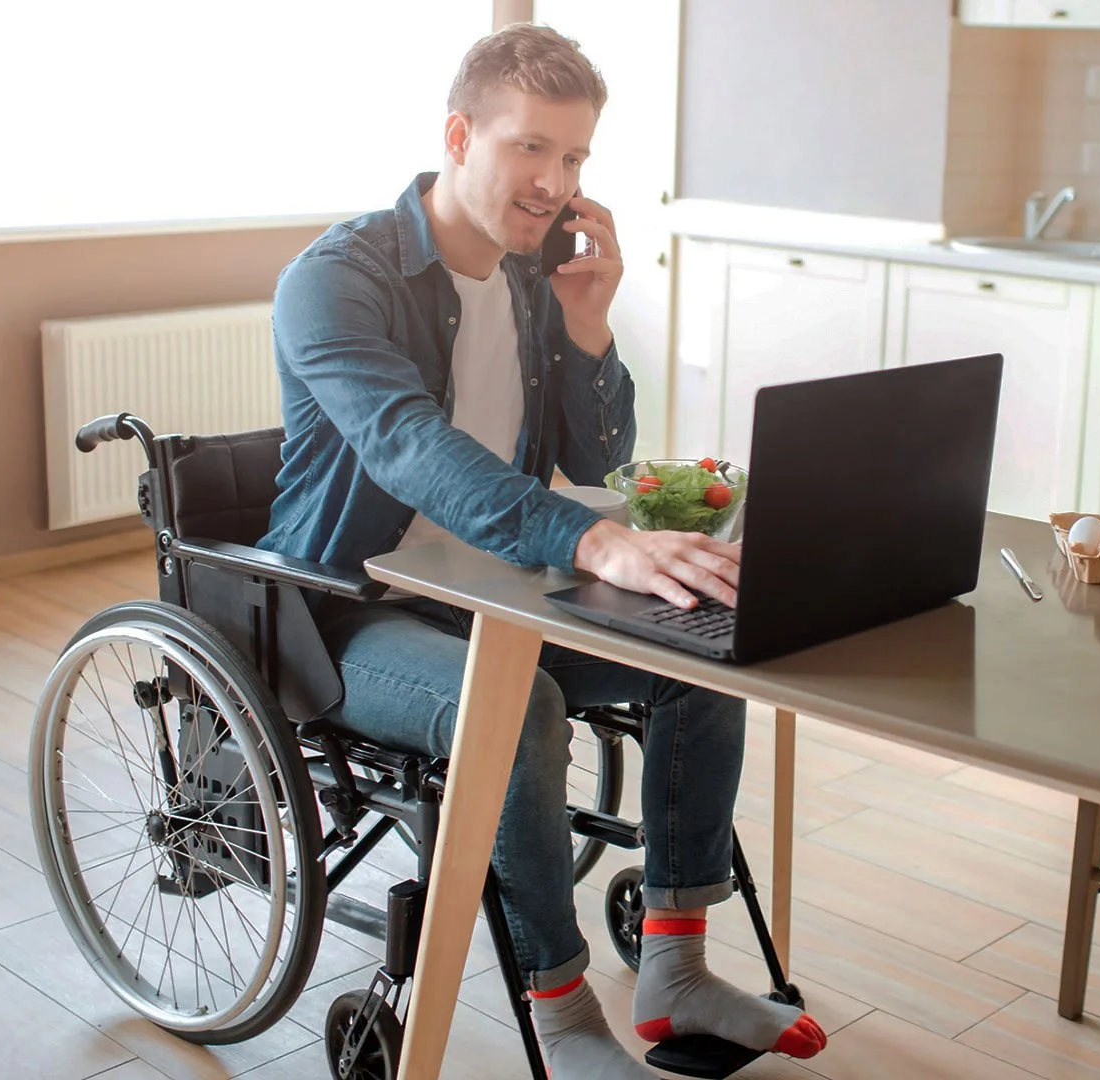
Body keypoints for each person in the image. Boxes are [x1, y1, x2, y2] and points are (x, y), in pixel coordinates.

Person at [255, 22, 826, 1079]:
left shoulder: (529, 277)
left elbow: (592, 454)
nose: (553, 184)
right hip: (346, 606)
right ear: (459, 134)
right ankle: (562, 1015)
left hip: (489, 587)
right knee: (519, 703)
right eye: (530, 149)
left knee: (700, 651)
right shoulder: (335, 280)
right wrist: (593, 541)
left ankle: (678, 971)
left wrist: (590, 326)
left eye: (574, 158)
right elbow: (409, 449)